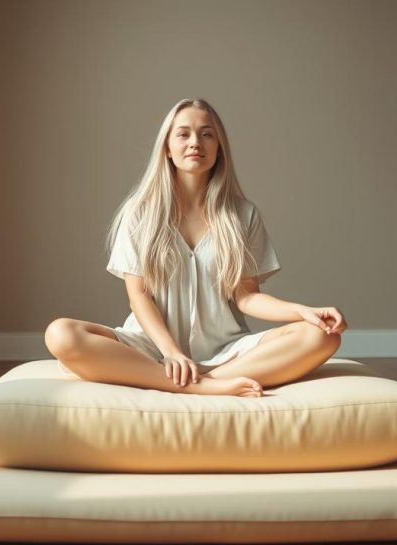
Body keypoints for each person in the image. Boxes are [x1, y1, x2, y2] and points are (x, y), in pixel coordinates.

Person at [44, 98, 347, 398]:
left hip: (224, 351)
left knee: (323, 337)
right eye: (183, 134)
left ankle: (192, 379)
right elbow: (139, 297)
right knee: (60, 334)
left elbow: (247, 297)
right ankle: (202, 385)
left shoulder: (243, 216)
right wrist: (172, 352)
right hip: (150, 346)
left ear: (218, 148)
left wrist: (301, 311)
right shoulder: (139, 213)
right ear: (167, 147)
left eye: (206, 134)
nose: (195, 143)